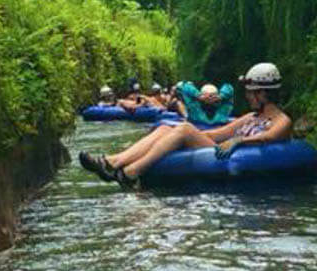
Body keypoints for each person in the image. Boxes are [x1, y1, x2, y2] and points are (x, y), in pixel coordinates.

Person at [79, 62, 291, 187]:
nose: (248, 96)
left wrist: (239, 140)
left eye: (250, 92)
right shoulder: (250, 117)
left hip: (240, 155)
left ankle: (131, 173)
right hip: (222, 150)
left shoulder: (282, 120)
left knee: (183, 130)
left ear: (263, 92)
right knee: (166, 128)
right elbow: (218, 134)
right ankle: (112, 162)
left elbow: (271, 137)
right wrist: (187, 132)